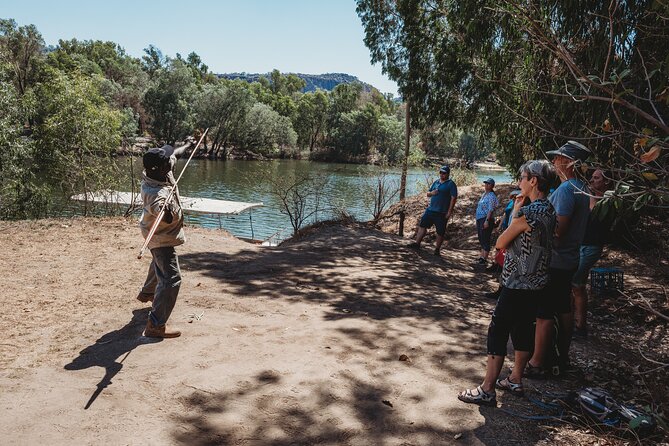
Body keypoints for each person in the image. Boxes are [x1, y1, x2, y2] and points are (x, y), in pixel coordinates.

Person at [458, 160, 557, 406]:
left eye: (522, 177)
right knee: (523, 328)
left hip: (517, 282)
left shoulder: (528, 213)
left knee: (498, 329)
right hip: (536, 282)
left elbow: (501, 242)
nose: (519, 182)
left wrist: (515, 211)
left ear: (533, 181)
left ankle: (487, 388)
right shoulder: (548, 210)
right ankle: (515, 379)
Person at [524, 141, 591, 377]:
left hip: (556, 259)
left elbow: (558, 230)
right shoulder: (582, 188)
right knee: (563, 308)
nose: (554, 162)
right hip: (570, 258)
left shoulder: (566, 190)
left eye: (558, 158)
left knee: (544, 312)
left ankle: (536, 363)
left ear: (569, 162)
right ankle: (562, 357)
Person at [136, 141, 192, 338]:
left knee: (158, 261)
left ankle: (148, 292)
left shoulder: (161, 171)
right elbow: (162, 213)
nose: (171, 160)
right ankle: (156, 325)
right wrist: (166, 210)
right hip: (160, 237)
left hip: (155, 234)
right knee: (172, 278)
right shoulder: (154, 194)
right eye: (167, 160)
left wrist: (188, 144)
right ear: (161, 168)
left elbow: (175, 152)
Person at [572, 169, 614, 337]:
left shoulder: (607, 201)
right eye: (592, 177)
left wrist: (590, 194)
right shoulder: (591, 197)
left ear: (606, 182)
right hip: (581, 245)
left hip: (591, 248)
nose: (592, 180)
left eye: (596, 178)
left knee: (575, 283)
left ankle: (578, 325)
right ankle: (575, 323)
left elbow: (593, 211)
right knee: (576, 285)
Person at [410, 165, 458, 256]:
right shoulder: (436, 182)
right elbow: (428, 194)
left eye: (444, 173)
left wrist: (449, 212)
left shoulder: (451, 184)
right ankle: (417, 243)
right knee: (422, 225)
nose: (442, 174)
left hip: (441, 212)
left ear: (448, 174)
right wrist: (432, 193)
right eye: (440, 172)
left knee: (440, 232)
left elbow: (453, 198)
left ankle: (437, 250)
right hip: (430, 210)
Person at [473, 178, 499, 266]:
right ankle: (482, 257)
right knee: (481, 237)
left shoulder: (491, 195)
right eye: (486, 183)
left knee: (485, 238)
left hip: (486, 219)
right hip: (480, 218)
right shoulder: (484, 194)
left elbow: (490, 210)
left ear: (492, 186)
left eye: (488, 184)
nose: (486, 185)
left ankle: (484, 258)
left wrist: (487, 221)